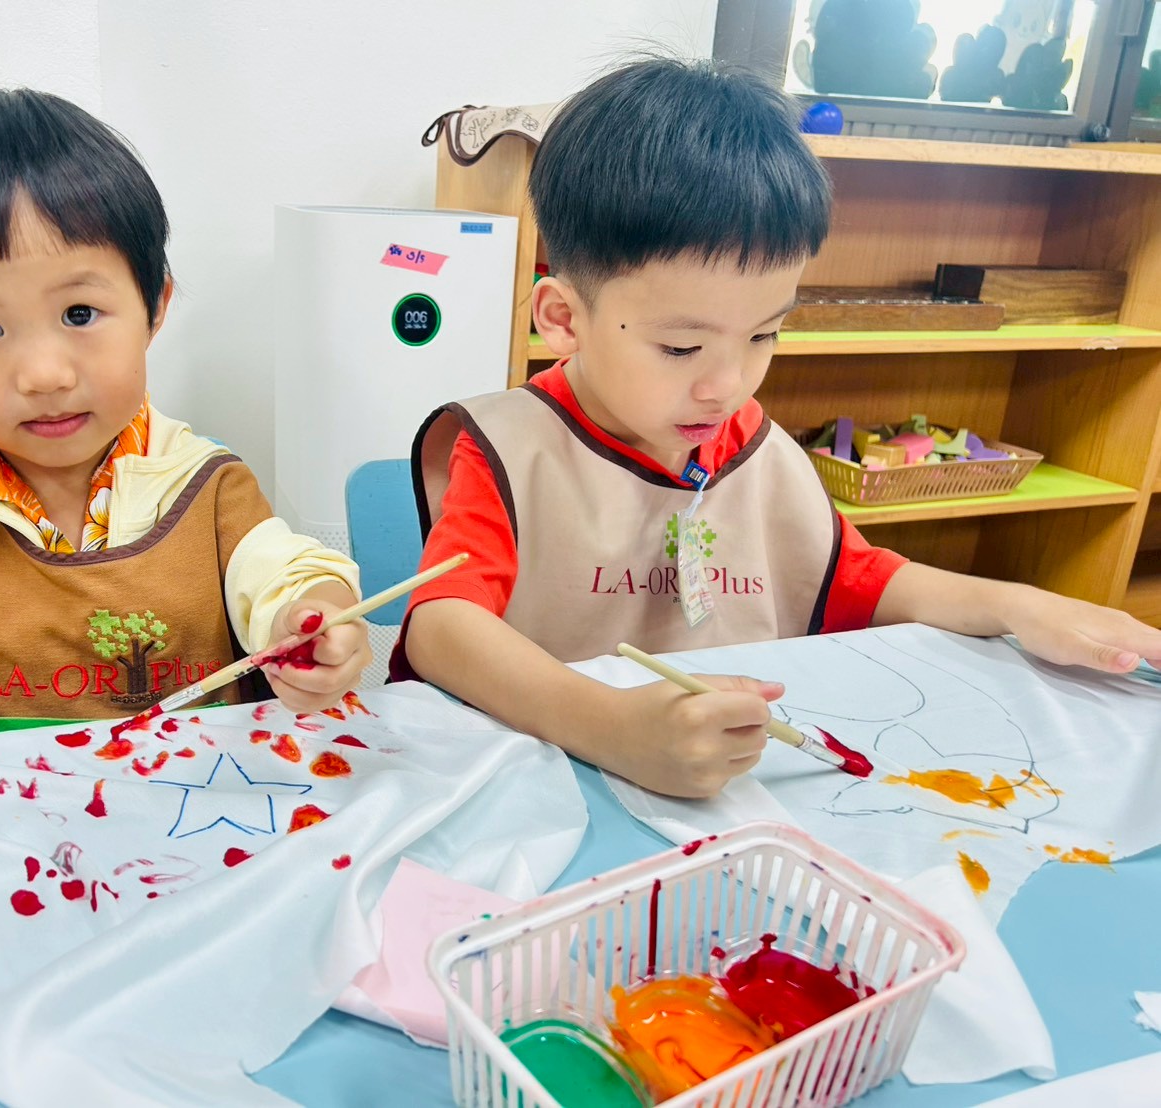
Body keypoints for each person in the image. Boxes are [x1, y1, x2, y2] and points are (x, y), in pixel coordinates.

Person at [398, 57, 1161, 801]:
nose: (726, 385)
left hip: (733, 797)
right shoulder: (511, 450)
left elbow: (858, 580)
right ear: (563, 319)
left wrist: (1019, 606)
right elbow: (440, 625)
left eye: (763, 334)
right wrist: (608, 726)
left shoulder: (749, 442)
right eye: (680, 347)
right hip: (556, 792)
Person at [0, 87, 369, 962]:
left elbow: (289, 578)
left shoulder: (206, 485)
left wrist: (316, 623)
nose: (43, 371)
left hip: (202, 870)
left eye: (80, 315)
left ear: (155, 305)